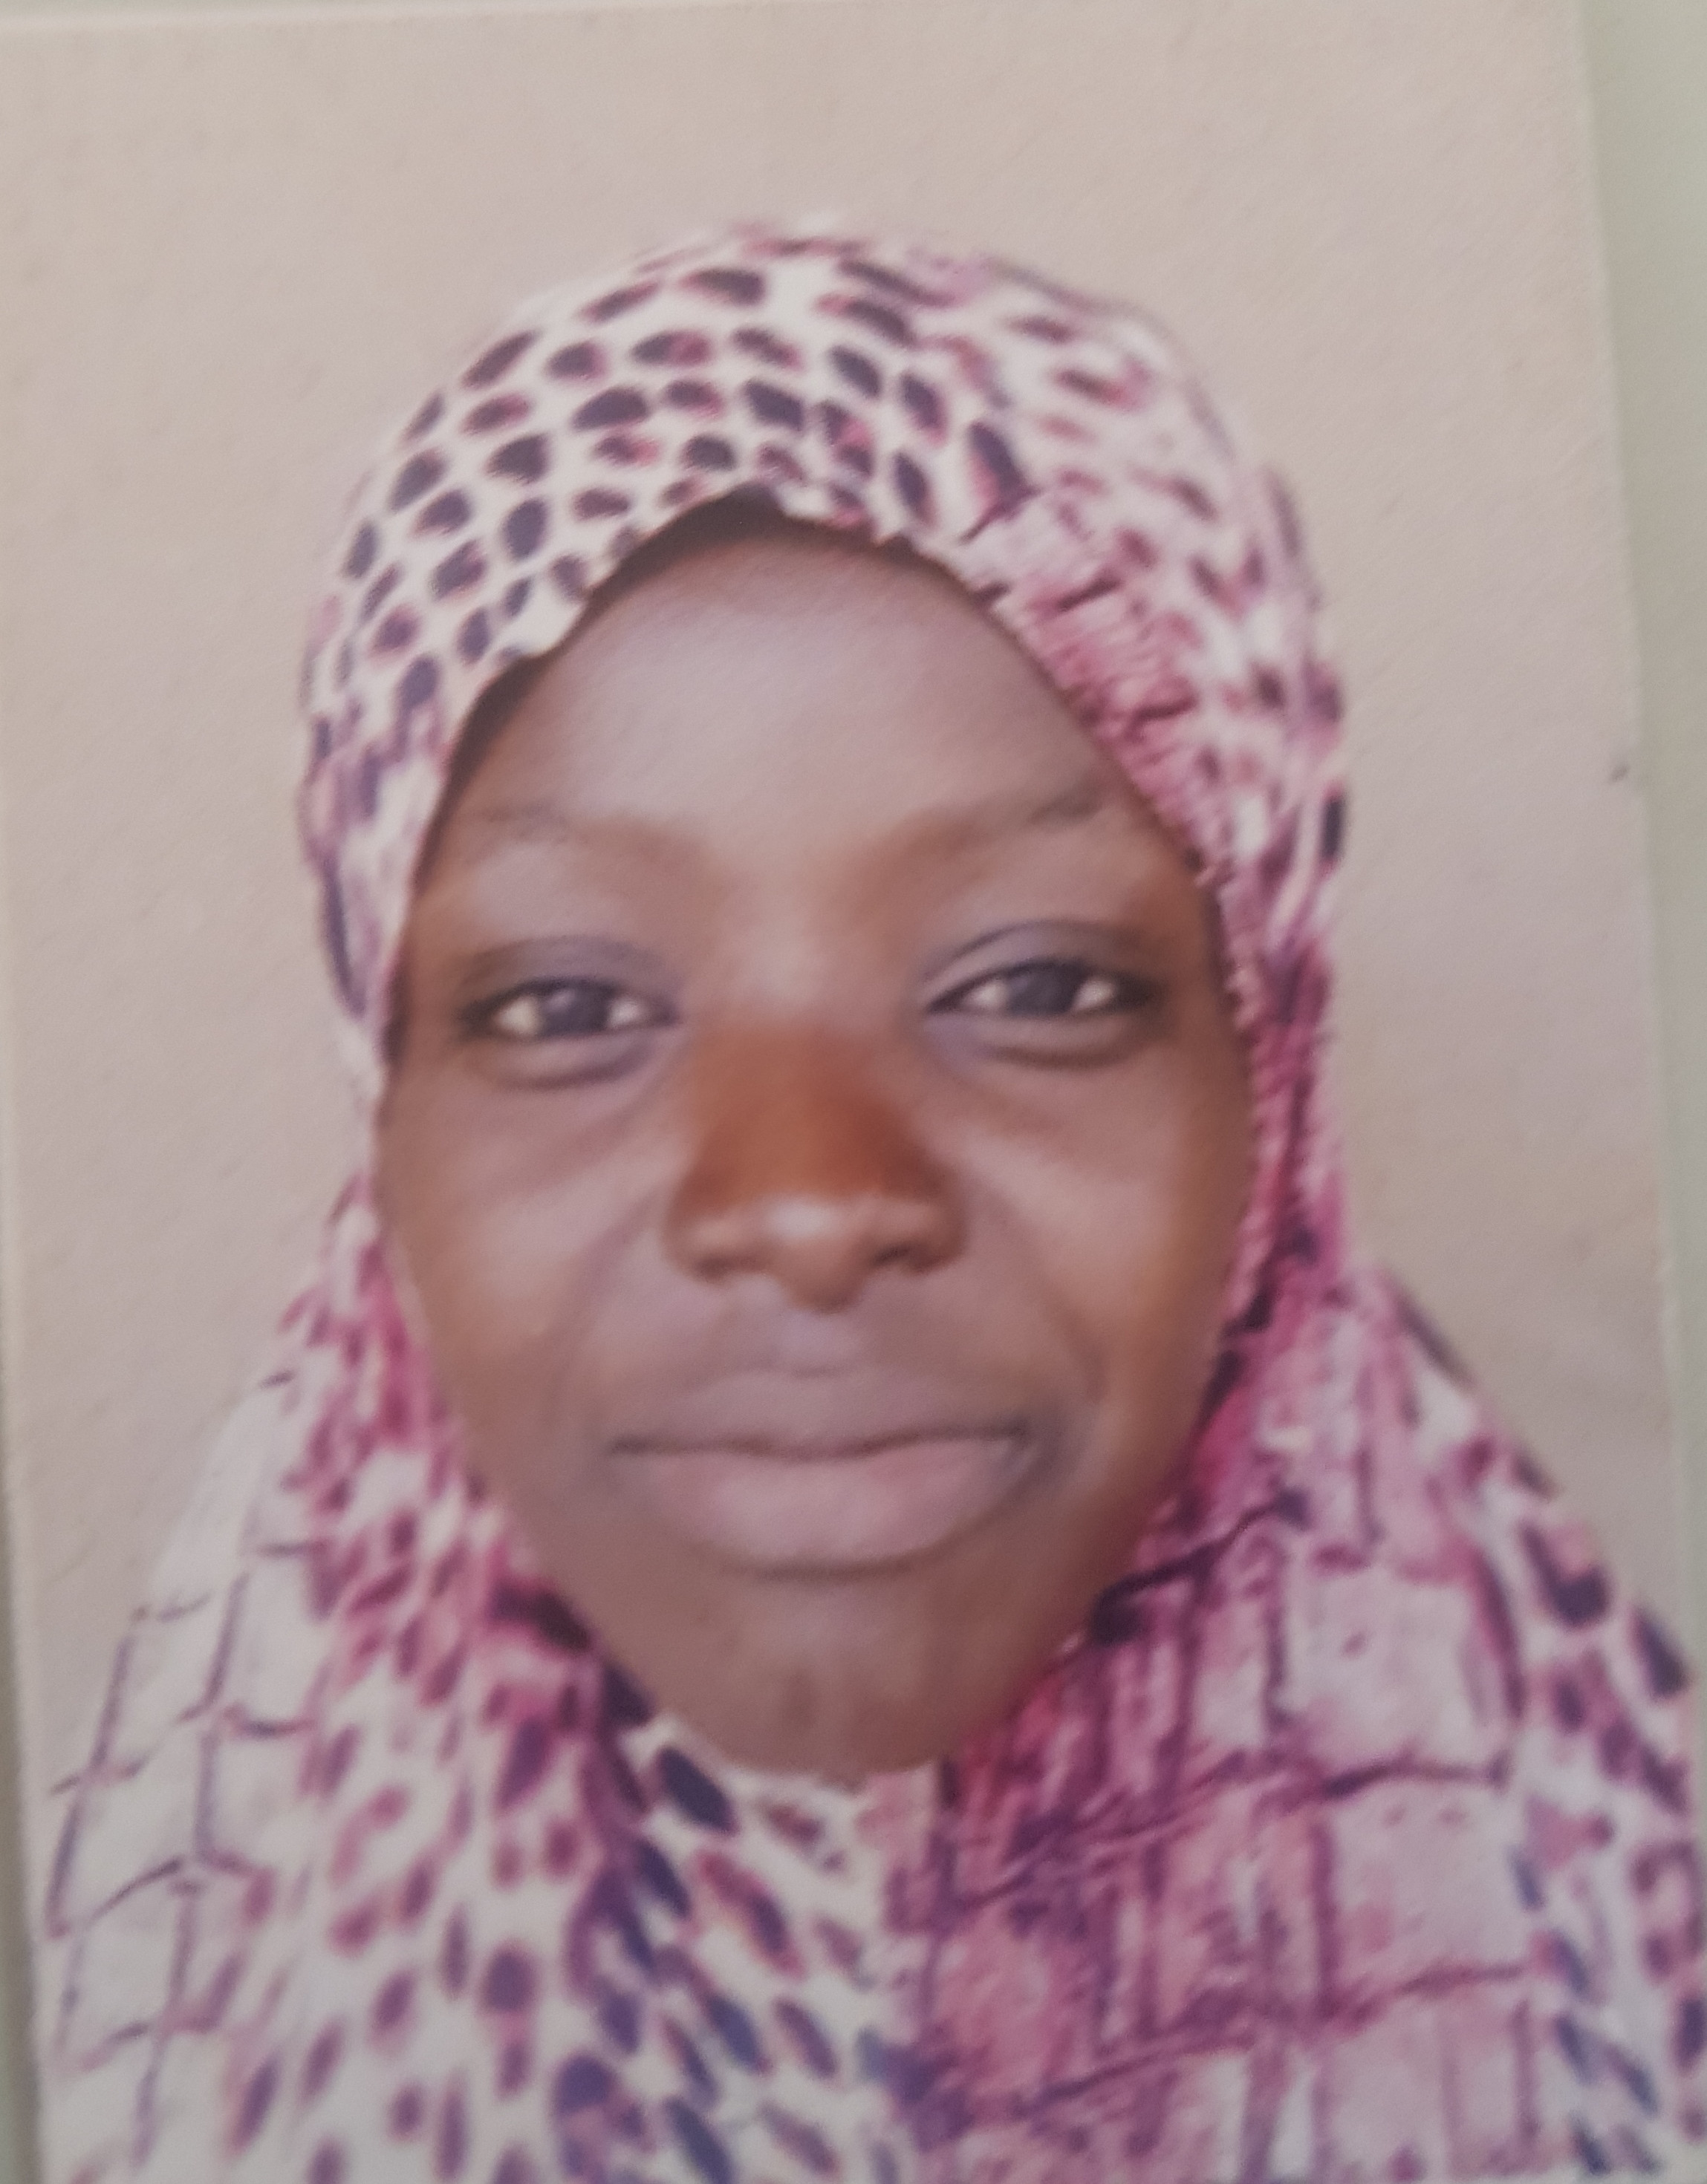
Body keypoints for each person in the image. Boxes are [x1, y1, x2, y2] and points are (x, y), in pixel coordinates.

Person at [35, 223, 1705, 2184]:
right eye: (565, 1006)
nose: (811, 1200)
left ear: (1267, 1109)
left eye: (1040, 984)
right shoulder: (179, 2029)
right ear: (380, 1116)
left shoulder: (1602, 1988)